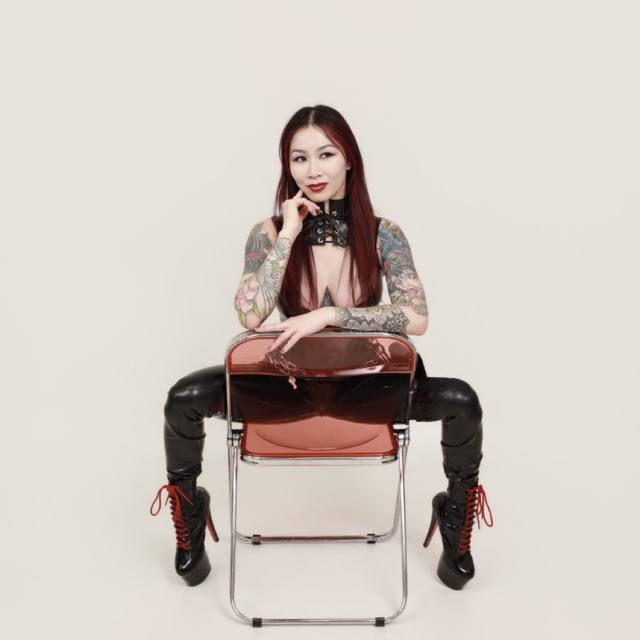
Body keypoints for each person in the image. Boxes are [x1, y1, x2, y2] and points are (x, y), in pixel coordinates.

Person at [150, 104, 493, 591]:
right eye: (299, 158)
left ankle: (456, 518)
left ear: (349, 159)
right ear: (287, 166)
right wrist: (288, 234)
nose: (313, 169)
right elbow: (249, 315)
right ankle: (190, 514)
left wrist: (330, 316)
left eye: (326, 154)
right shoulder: (268, 233)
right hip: (287, 389)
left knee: (463, 402)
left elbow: (416, 316)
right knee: (181, 399)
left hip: (366, 389)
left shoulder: (384, 234)